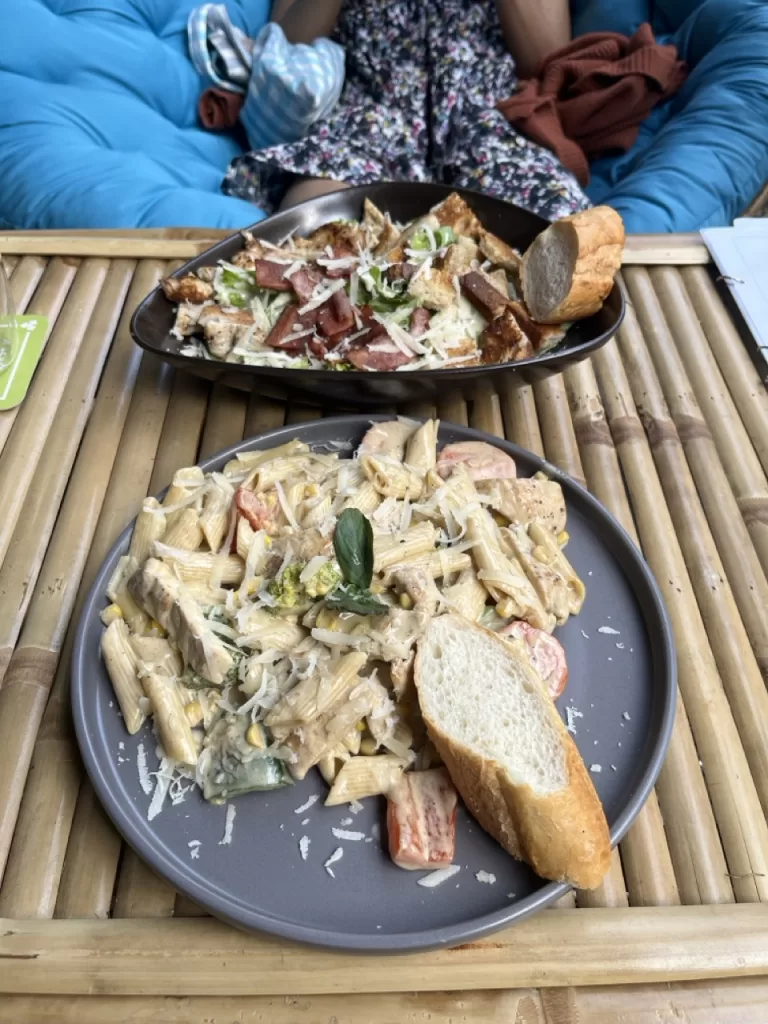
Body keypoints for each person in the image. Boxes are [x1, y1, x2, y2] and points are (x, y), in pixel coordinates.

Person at [223, 0, 588, 220]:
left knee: (559, 226)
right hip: (369, 119)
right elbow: (286, 47)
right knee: (316, 220)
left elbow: (544, 59)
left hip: (487, 120)